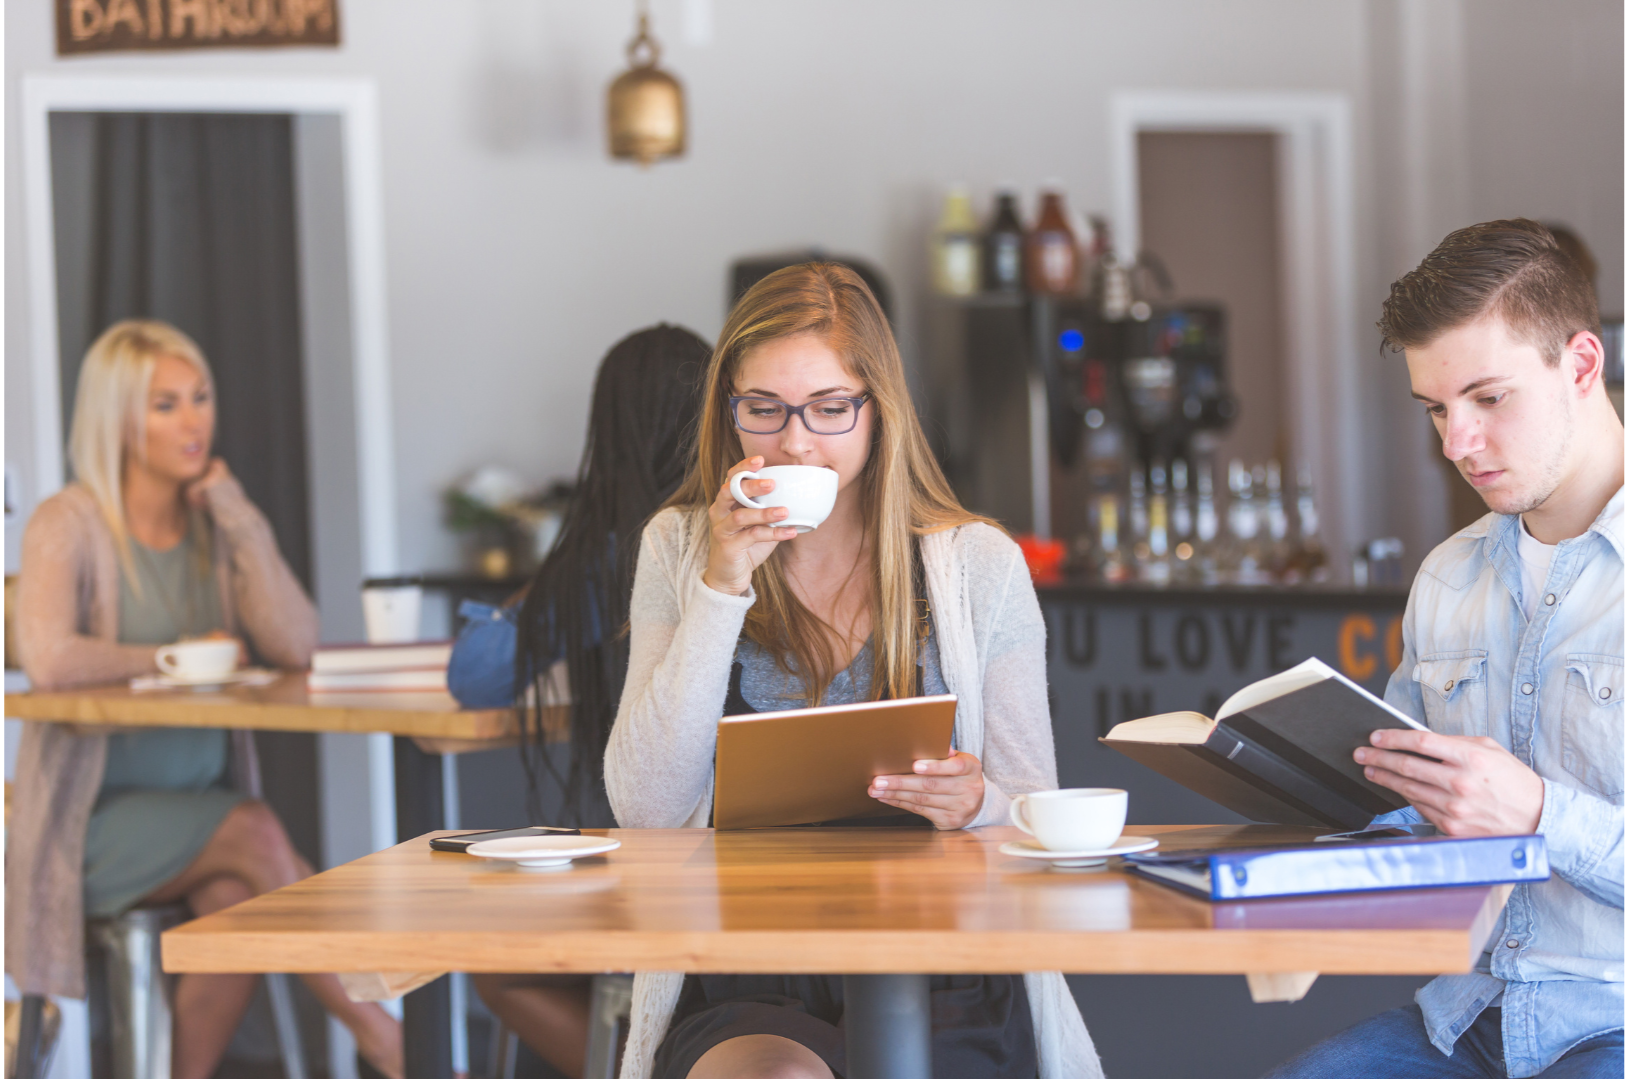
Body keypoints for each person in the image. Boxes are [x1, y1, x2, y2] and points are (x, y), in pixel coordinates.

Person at [603, 263, 1103, 1079]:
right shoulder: (681, 547)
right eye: (762, 410)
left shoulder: (980, 565)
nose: (794, 441)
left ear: (880, 411)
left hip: (948, 965)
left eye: (830, 409)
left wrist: (977, 801)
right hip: (751, 966)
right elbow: (647, 806)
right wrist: (722, 586)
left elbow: (1034, 811)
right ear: (728, 410)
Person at [1264, 220, 1623, 1078]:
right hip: (1467, 1020)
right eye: (1436, 408)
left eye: (1488, 399)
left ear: (1580, 364)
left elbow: (1522, 814)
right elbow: (1416, 815)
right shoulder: (1449, 577)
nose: (1454, 443)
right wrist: (1318, 824)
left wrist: (1538, 811)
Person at [7, 320, 404, 1079]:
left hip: (199, 818)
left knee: (237, 900)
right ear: (117, 418)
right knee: (254, 831)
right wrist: (172, 659)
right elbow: (50, 659)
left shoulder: (211, 525)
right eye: (166, 405)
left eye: (200, 398)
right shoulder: (71, 521)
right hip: (84, 826)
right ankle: (386, 1038)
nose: (193, 421)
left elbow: (295, 643)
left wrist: (239, 514)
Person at [446, 324, 709, 1079]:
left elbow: (476, 672)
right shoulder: (735, 540)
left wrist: (549, 583)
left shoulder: (614, 559)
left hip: (653, 867)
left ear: (613, 431)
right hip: (732, 861)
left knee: (492, 963)